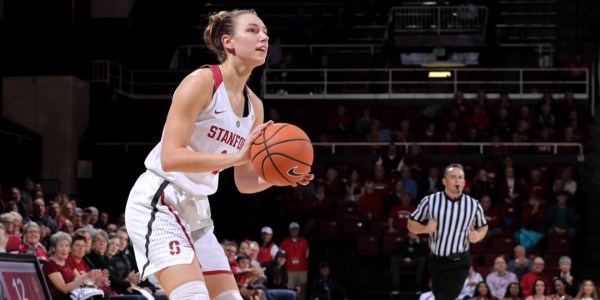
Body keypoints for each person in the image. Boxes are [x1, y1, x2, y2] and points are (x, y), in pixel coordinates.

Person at [124, 9, 313, 300]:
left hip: (198, 211)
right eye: (252, 30)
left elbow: (246, 182)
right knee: (193, 296)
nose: (263, 36)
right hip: (159, 200)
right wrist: (237, 157)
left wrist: (280, 178)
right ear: (228, 42)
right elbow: (170, 157)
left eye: (265, 32)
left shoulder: (255, 106)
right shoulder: (202, 82)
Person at [408, 163, 488, 300]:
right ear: (444, 181)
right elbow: (411, 224)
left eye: (460, 177)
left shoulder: (474, 205)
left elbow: (483, 227)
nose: (457, 180)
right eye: (453, 177)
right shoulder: (430, 201)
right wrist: (425, 229)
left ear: (464, 182)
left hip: (459, 261)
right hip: (436, 261)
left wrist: (478, 235)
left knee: (446, 297)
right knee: (439, 296)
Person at [42, 232, 106, 300]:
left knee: (102, 296)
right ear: (53, 248)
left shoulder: (68, 262)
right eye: (61, 245)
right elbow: (64, 289)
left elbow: (81, 281)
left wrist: (96, 283)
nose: (64, 249)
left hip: (74, 295)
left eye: (67, 246)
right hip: (61, 297)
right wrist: (87, 276)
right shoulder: (50, 264)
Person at [280, 222, 309, 300]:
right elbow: (281, 258)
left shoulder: (304, 242)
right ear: (289, 231)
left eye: (296, 229)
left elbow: (307, 256)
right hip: (289, 271)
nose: (294, 231)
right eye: (292, 230)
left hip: (302, 271)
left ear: (299, 231)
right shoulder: (284, 243)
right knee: (289, 291)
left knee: (301, 291)